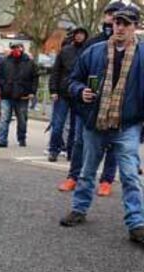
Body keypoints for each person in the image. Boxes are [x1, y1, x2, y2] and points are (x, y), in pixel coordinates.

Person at [60, 5, 144, 246]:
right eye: (117, 22)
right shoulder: (94, 51)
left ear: (135, 26)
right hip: (95, 123)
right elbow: (72, 80)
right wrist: (80, 91)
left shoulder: (142, 55)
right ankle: (79, 209)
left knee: (130, 176)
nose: (120, 27)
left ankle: (136, 224)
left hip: (127, 125)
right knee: (87, 171)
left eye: (126, 23)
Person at [58, 1, 125, 195]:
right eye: (110, 14)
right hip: (88, 105)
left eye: (117, 15)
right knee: (80, 142)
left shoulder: (131, 48)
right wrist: (80, 91)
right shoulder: (92, 43)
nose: (112, 18)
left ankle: (106, 180)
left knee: (113, 145)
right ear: (105, 17)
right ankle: (73, 176)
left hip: (115, 105)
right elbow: (76, 75)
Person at [48, 27, 88, 165]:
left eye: (82, 34)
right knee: (58, 124)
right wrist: (53, 90)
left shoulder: (87, 51)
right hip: (63, 92)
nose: (79, 37)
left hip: (78, 93)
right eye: (77, 34)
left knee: (74, 127)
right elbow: (56, 71)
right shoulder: (65, 51)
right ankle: (53, 150)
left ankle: (71, 152)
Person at [0, 43, 38, 148]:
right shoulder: (4, 61)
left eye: (18, 47)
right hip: (6, 94)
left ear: (22, 49)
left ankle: (21, 138)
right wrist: (4, 85)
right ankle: (2, 140)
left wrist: (32, 92)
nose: (16, 50)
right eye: (14, 48)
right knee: (4, 118)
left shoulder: (29, 62)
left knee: (22, 119)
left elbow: (35, 78)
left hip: (23, 95)